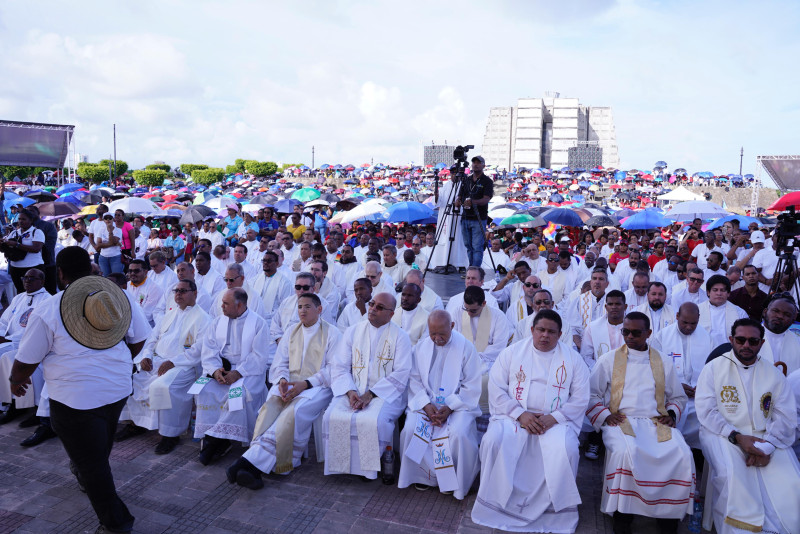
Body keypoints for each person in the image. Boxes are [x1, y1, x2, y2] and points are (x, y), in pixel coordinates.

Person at [10, 246, 150, 533]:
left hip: (75, 397)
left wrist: (15, 380)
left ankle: (117, 523)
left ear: (60, 274)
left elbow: (26, 359)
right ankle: (86, 470)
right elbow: (139, 339)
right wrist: (114, 355)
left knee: (94, 465)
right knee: (96, 447)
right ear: (90, 269)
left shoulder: (50, 307)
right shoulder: (118, 295)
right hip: (116, 387)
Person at [472, 310, 590, 532]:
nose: (545, 335)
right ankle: (495, 504)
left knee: (566, 449)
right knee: (494, 440)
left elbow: (581, 398)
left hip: (555, 420)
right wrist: (520, 414)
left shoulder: (574, 360)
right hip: (515, 416)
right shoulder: (512, 353)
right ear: (532, 330)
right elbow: (496, 389)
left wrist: (553, 418)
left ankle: (554, 512)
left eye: (551, 332)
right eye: (541, 330)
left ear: (560, 334)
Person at [587, 312, 694, 534]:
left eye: (636, 332)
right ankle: (623, 515)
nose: (629, 336)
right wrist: (606, 415)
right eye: (625, 331)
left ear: (648, 333)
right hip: (621, 420)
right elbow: (591, 395)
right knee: (628, 454)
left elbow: (678, 397)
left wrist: (671, 414)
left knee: (681, 453)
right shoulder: (608, 359)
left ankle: (668, 516)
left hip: (656, 422)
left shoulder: (662, 361)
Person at [695, 318, 800, 534]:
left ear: (761, 343)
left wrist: (767, 447)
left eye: (753, 341)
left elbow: (785, 416)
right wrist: (737, 437)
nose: (746, 345)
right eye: (741, 339)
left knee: (791, 479)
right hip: (722, 433)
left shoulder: (773, 374)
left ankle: (782, 527)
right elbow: (707, 411)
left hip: (766, 437)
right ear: (731, 339)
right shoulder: (713, 369)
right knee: (733, 476)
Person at [228, 293, 340, 489]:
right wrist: (282, 381)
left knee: (292, 413)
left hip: (317, 388)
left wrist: (305, 384)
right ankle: (254, 468)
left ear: (319, 309)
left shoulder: (332, 333)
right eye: (299, 307)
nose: (302, 311)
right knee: (268, 409)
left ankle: (246, 463)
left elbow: (333, 368)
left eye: (307, 307)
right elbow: (281, 362)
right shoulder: (291, 331)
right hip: (289, 384)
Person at [322, 292, 412, 479]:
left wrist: (369, 395)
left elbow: (401, 373)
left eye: (380, 307)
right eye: (372, 304)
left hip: (385, 394)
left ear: (391, 314)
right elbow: (339, 365)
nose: (372, 309)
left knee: (372, 420)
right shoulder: (353, 331)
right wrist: (351, 391)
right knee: (332, 416)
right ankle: (341, 465)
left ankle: (367, 469)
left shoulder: (401, 337)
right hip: (353, 389)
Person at [117, 279, 211, 454]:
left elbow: (198, 349)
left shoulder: (204, 319)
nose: (178, 294)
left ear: (195, 293)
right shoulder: (168, 315)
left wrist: (173, 362)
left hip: (184, 366)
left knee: (162, 386)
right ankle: (135, 424)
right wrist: (146, 356)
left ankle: (170, 434)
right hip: (158, 361)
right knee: (129, 378)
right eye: (176, 291)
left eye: (183, 291)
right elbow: (152, 339)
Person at [397, 310, 481, 499]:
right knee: (410, 428)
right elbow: (415, 380)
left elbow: (471, 386)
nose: (436, 338)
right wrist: (426, 405)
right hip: (427, 404)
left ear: (452, 326)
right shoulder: (421, 347)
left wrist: (449, 407)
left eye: (442, 334)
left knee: (458, 433)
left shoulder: (466, 348)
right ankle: (421, 477)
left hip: (459, 406)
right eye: (432, 333)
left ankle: (454, 483)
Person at [193, 288, 270, 465]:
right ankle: (214, 436)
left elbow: (259, 356)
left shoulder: (258, 324)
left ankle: (217, 441)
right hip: (223, 369)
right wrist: (215, 371)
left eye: (226, 304)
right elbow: (209, 350)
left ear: (240, 305)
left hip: (248, 372)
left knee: (238, 396)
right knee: (204, 390)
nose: (222, 307)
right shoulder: (217, 322)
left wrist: (238, 372)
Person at [650, 302, 713, 451]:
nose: (689, 327)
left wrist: (702, 386)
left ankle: (697, 453)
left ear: (699, 319)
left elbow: (713, 369)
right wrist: (676, 386)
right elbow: (653, 369)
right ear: (677, 316)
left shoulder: (708, 338)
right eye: (685, 322)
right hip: (670, 395)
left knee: (707, 418)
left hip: (698, 395)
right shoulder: (662, 337)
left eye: (694, 323)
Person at [452, 286, 513, 414]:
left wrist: (476, 357)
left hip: (488, 361)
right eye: (466, 309)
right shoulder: (458, 312)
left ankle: (483, 415)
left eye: (473, 310)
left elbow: (498, 347)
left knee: (486, 381)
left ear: (484, 304)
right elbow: (454, 339)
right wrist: (467, 357)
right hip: (461, 359)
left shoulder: (498, 317)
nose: (468, 313)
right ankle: (458, 411)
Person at [0, 268, 50, 427]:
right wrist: (1, 335)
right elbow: (4, 321)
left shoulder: (47, 300)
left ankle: (31, 407)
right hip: (10, 341)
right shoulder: (19, 298)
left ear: (42, 281)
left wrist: (8, 339)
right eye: (25, 278)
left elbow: (39, 330)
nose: (27, 281)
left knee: (8, 357)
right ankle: (11, 403)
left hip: (31, 344)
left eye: (32, 278)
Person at [454, 155, 493, 268]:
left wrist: (473, 202)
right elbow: (460, 195)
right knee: (468, 246)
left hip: (479, 218)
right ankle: (471, 268)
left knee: (477, 246)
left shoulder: (487, 181)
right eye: (474, 162)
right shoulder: (467, 180)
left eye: (478, 162)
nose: (475, 164)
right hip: (465, 217)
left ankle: (475, 270)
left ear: (483, 165)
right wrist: (458, 200)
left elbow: (486, 199)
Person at [1, 208, 45, 293]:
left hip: (33, 268)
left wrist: (16, 244)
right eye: (19, 219)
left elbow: (36, 249)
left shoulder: (36, 232)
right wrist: (2, 244)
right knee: (20, 292)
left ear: (31, 220)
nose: (20, 221)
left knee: (34, 292)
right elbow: (6, 249)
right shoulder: (14, 233)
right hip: (15, 268)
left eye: (24, 219)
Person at [699, 275, 748, 348]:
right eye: (715, 290)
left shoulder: (739, 312)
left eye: (722, 290)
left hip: (730, 353)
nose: (719, 293)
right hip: (703, 350)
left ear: (728, 293)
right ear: (708, 292)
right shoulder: (697, 310)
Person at [568, 268, 609, 351]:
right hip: (582, 348)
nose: (597, 282)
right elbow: (572, 329)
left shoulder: (611, 302)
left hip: (606, 347)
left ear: (607, 284)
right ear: (591, 282)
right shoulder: (579, 301)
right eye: (594, 278)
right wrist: (582, 347)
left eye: (601, 279)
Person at [759, 293, 800, 374]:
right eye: (775, 311)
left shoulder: (797, 341)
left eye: (787, 314)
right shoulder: (748, 338)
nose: (780, 316)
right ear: (765, 312)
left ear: (793, 319)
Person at [126, 259, 163, 326]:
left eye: (136, 271)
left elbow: (146, 315)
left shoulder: (154, 289)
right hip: (128, 323)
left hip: (145, 326)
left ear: (146, 272)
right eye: (130, 271)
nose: (132, 273)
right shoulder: (127, 285)